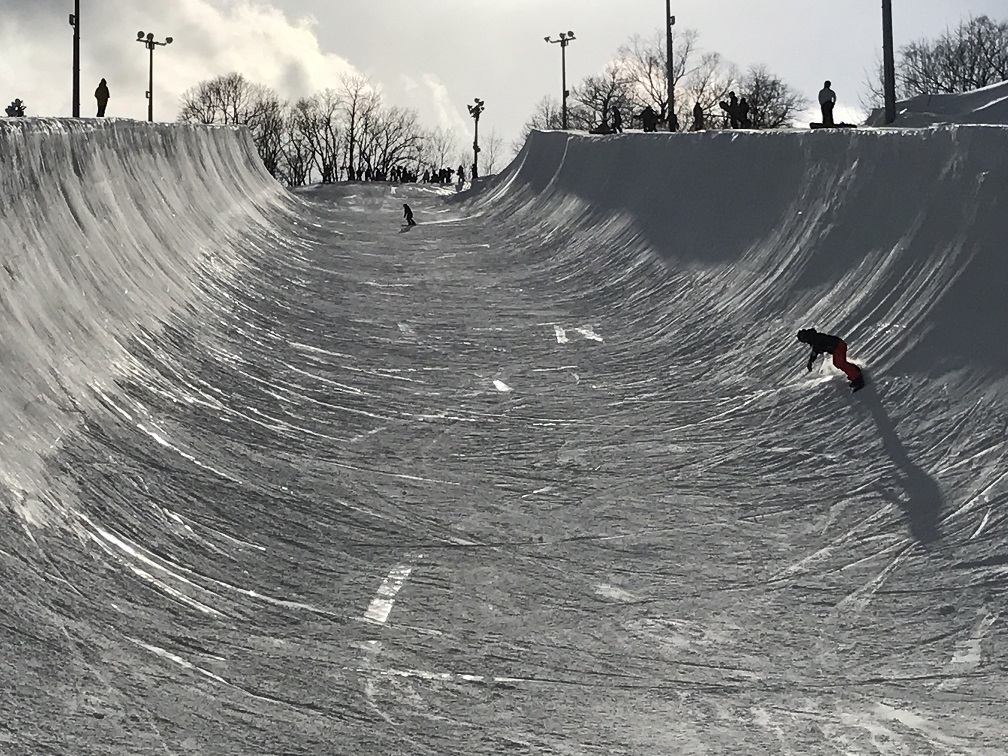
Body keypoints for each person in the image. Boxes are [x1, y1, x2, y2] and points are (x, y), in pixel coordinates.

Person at [797, 328, 864, 391]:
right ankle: (854, 372)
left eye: (803, 338)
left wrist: (810, 362)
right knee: (838, 363)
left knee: (840, 363)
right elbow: (816, 349)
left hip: (838, 346)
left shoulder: (814, 339)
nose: (804, 340)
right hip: (838, 346)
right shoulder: (814, 337)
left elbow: (815, 351)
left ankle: (857, 378)